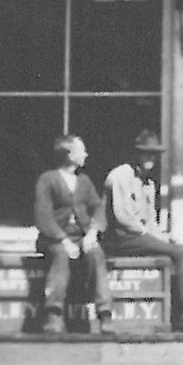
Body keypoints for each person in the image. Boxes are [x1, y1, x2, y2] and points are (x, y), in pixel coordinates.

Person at [102, 130, 183, 332]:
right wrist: (149, 235)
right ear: (136, 154)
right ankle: (180, 314)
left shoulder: (148, 184)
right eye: (146, 153)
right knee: (179, 253)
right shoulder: (120, 176)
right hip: (121, 237)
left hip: (139, 236)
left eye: (154, 154)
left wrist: (163, 236)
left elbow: (150, 220)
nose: (151, 158)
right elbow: (123, 217)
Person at [34, 134, 113, 334]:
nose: (86, 155)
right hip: (53, 238)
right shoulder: (48, 179)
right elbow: (43, 216)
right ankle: (53, 314)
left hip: (81, 236)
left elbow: (98, 208)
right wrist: (63, 240)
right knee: (60, 255)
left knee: (96, 254)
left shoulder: (84, 181)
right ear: (69, 154)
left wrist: (92, 232)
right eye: (81, 151)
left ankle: (105, 314)